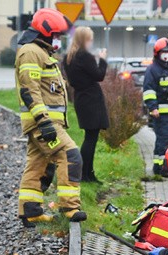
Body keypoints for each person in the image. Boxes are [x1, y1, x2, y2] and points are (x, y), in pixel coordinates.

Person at [14, 8, 86, 227]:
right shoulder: (31, 52)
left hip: (45, 122)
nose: (58, 40)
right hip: (42, 123)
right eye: (56, 35)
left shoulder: (43, 53)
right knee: (70, 155)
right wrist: (44, 121)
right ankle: (70, 207)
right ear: (45, 32)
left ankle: (31, 211)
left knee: (38, 165)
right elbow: (30, 90)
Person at [63, 26, 110, 183]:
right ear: (83, 40)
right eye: (89, 39)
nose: (91, 42)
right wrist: (102, 59)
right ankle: (85, 175)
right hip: (91, 100)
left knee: (89, 137)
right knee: (91, 138)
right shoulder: (84, 56)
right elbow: (99, 75)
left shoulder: (69, 57)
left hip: (81, 99)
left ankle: (88, 174)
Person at [143, 38, 168, 176]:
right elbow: (148, 91)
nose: (166, 55)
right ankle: (160, 168)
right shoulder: (153, 70)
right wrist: (153, 108)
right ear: (157, 53)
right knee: (165, 140)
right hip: (160, 113)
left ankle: (163, 166)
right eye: (163, 52)